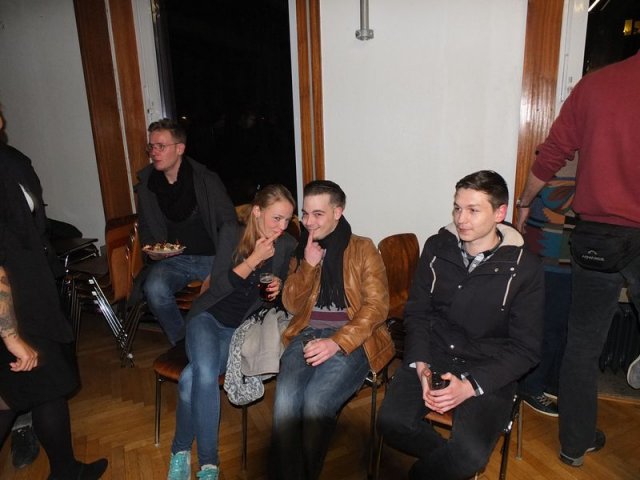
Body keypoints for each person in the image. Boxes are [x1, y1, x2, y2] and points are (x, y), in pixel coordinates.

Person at [516, 50, 640, 466]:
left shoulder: (596, 85)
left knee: (582, 346)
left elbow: (552, 153)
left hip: (597, 236)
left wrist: (524, 202)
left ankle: (574, 444)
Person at [377, 170, 544, 480]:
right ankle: (445, 460)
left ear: (499, 213)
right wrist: (421, 365)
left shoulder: (526, 269)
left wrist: (469, 387)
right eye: (457, 207)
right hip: (435, 351)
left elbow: (526, 349)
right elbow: (417, 312)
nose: (460, 218)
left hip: (488, 364)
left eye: (473, 210)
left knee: (469, 456)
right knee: (391, 423)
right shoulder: (436, 247)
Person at [0, 110, 107, 479]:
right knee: (23, 392)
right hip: (17, 306)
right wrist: (10, 335)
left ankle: (65, 469)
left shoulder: (12, 161)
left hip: (31, 292)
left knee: (42, 388)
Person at [166, 184, 297, 480]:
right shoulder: (231, 234)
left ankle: (180, 452)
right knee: (205, 372)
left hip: (238, 330)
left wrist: (280, 289)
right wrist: (253, 260)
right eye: (276, 218)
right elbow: (218, 287)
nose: (282, 227)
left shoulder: (286, 244)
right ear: (257, 212)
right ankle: (209, 465)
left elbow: (275, 302)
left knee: (190, 380)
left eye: (287, 220)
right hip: (207, 317)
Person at [271, 180, 394, 480]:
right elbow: (290, 304)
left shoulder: (363, 248)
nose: (309, 222)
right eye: (305, 214)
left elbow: (377, 307)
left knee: (315, 401)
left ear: (338, 212)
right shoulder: (303, 249)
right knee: (286, 402)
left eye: (318, 214)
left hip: (353, 340)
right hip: (307, 334)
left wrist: (337, 342)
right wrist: (308, 266)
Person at [135, 118, 237, 346]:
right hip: (173, 260)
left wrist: (221, 266)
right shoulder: (148, 185)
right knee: (154, 288)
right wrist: (151, 250)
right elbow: (145, 227)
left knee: (227, 292)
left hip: (211, 257)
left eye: (161, 146)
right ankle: (182, 343)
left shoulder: (205, 180)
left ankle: (218, 344)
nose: (154, 152)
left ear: (180, 148)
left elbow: (229, 224)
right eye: (151, 146)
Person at [517, 178, 576, 416]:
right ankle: (530, 387)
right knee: (547, 326)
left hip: (568, 253)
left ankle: (548, 382)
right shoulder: (561, 158)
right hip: (551, 252)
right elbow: (553, 195)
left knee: (560, 326)